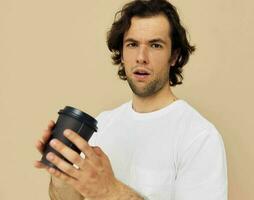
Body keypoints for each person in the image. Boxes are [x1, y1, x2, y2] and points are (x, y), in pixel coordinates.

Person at [34, 0, 228, 199]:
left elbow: (105, 192)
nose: (141, 57)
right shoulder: (105, 123)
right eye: (132, 44)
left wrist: (110, 192)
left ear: (174, 56)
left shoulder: (199, 137)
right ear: (122, 53)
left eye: (155, 45)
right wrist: (60, 169)